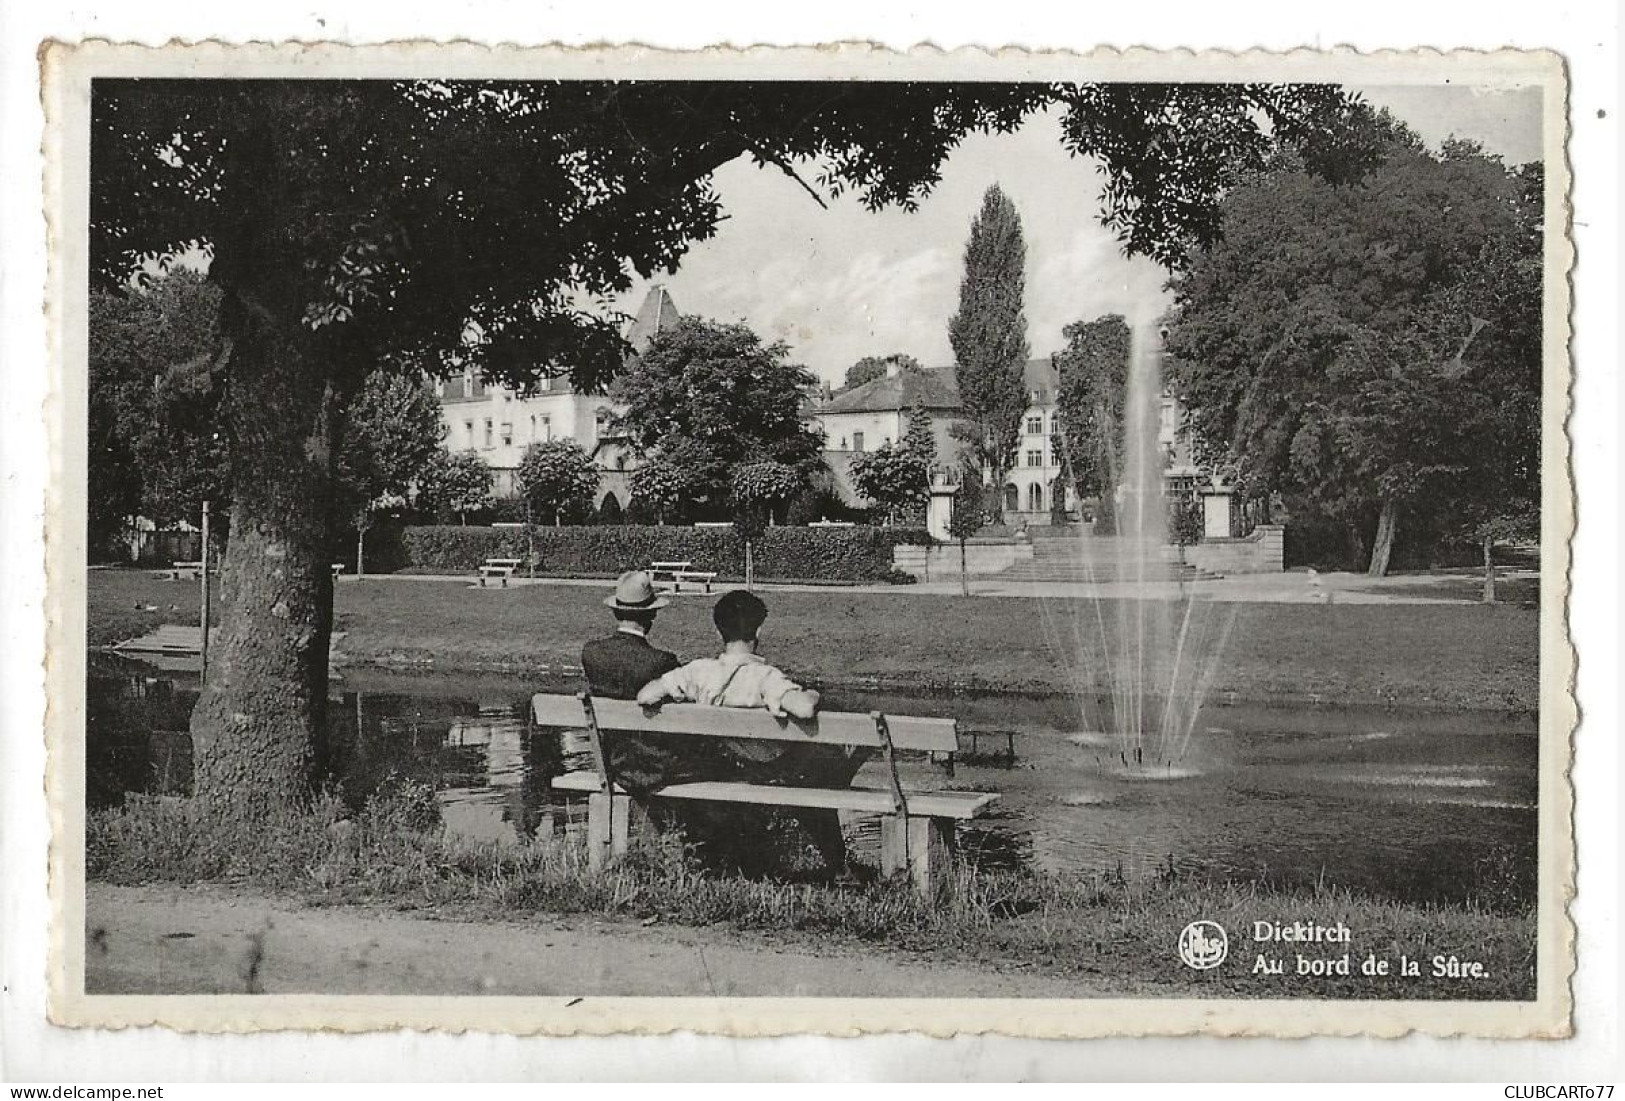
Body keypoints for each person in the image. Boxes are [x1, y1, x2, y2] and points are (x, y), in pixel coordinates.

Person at [637, 590, 869, 879]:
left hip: (728, 764)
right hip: (770, 769)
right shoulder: (764, 677)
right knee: (827, 770)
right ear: (759, 629)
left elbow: (647, 695)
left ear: (718, 629)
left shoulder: (698, 672)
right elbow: (805, 709)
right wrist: (811, 692)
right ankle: (841, 869)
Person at [581, 570, 729, 796]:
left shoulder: (591, 654)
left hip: (614, 764)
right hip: (655, 767)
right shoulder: (662, 662)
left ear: (615, 612)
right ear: (652, 615)